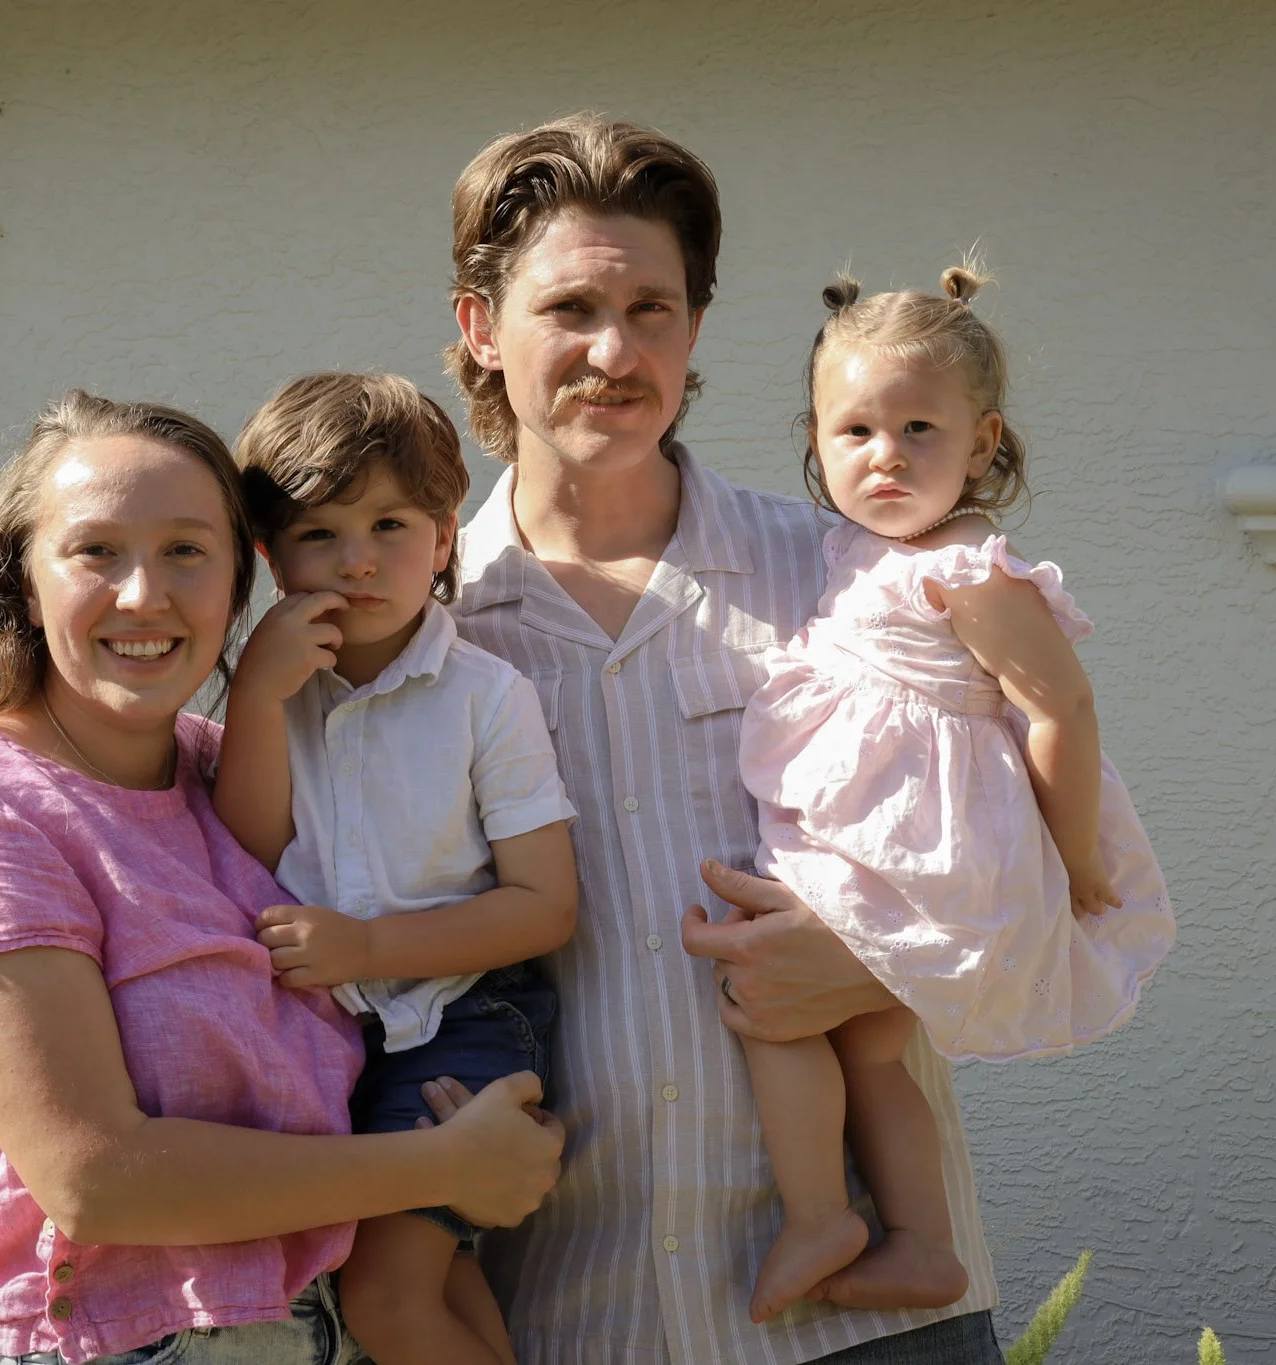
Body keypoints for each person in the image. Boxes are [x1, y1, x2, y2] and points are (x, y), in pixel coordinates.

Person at [0, 392, 564, 1365]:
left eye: (184, 550)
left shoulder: (222, 770)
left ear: (234, 582)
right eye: (95, 551)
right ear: (23, 582)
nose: (144, 594)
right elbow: (97, 1179)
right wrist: (436, 1167)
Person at [443, 113, 1013, 1362]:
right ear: (481, 329)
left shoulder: (851, 575)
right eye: (570, 307)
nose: (614, 348)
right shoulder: (421, 633)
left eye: (654, 307)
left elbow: (1041, 874)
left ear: (695, 327)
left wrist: (880, 962)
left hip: (866, 1316)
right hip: (558, 1314)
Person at [734, 267, 1176, 1322]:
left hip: (925, 845)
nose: (883, 456)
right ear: (814, 440)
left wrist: (1074, 864)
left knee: (769, 1004)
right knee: (866, 1043)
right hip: (877, 831)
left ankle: (816, 1218)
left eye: (917, 429)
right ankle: (921, 1243)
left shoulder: (971, 569)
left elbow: (1056, 709)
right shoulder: (850, 551)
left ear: (981, 443)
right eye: (853, 433)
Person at [213, 371, 579, 1365]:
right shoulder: (265, 696)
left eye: (388, 526)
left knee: (383, 1302)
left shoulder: (483, 696)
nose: (357, 562)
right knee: (440, 1286)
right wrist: (251, 700)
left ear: (445, 536)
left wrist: (367, 945)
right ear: (268, 553)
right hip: (326, 1046)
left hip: (460, 1022)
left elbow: (545, 906)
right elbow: (240, 854)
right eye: (318, 534)